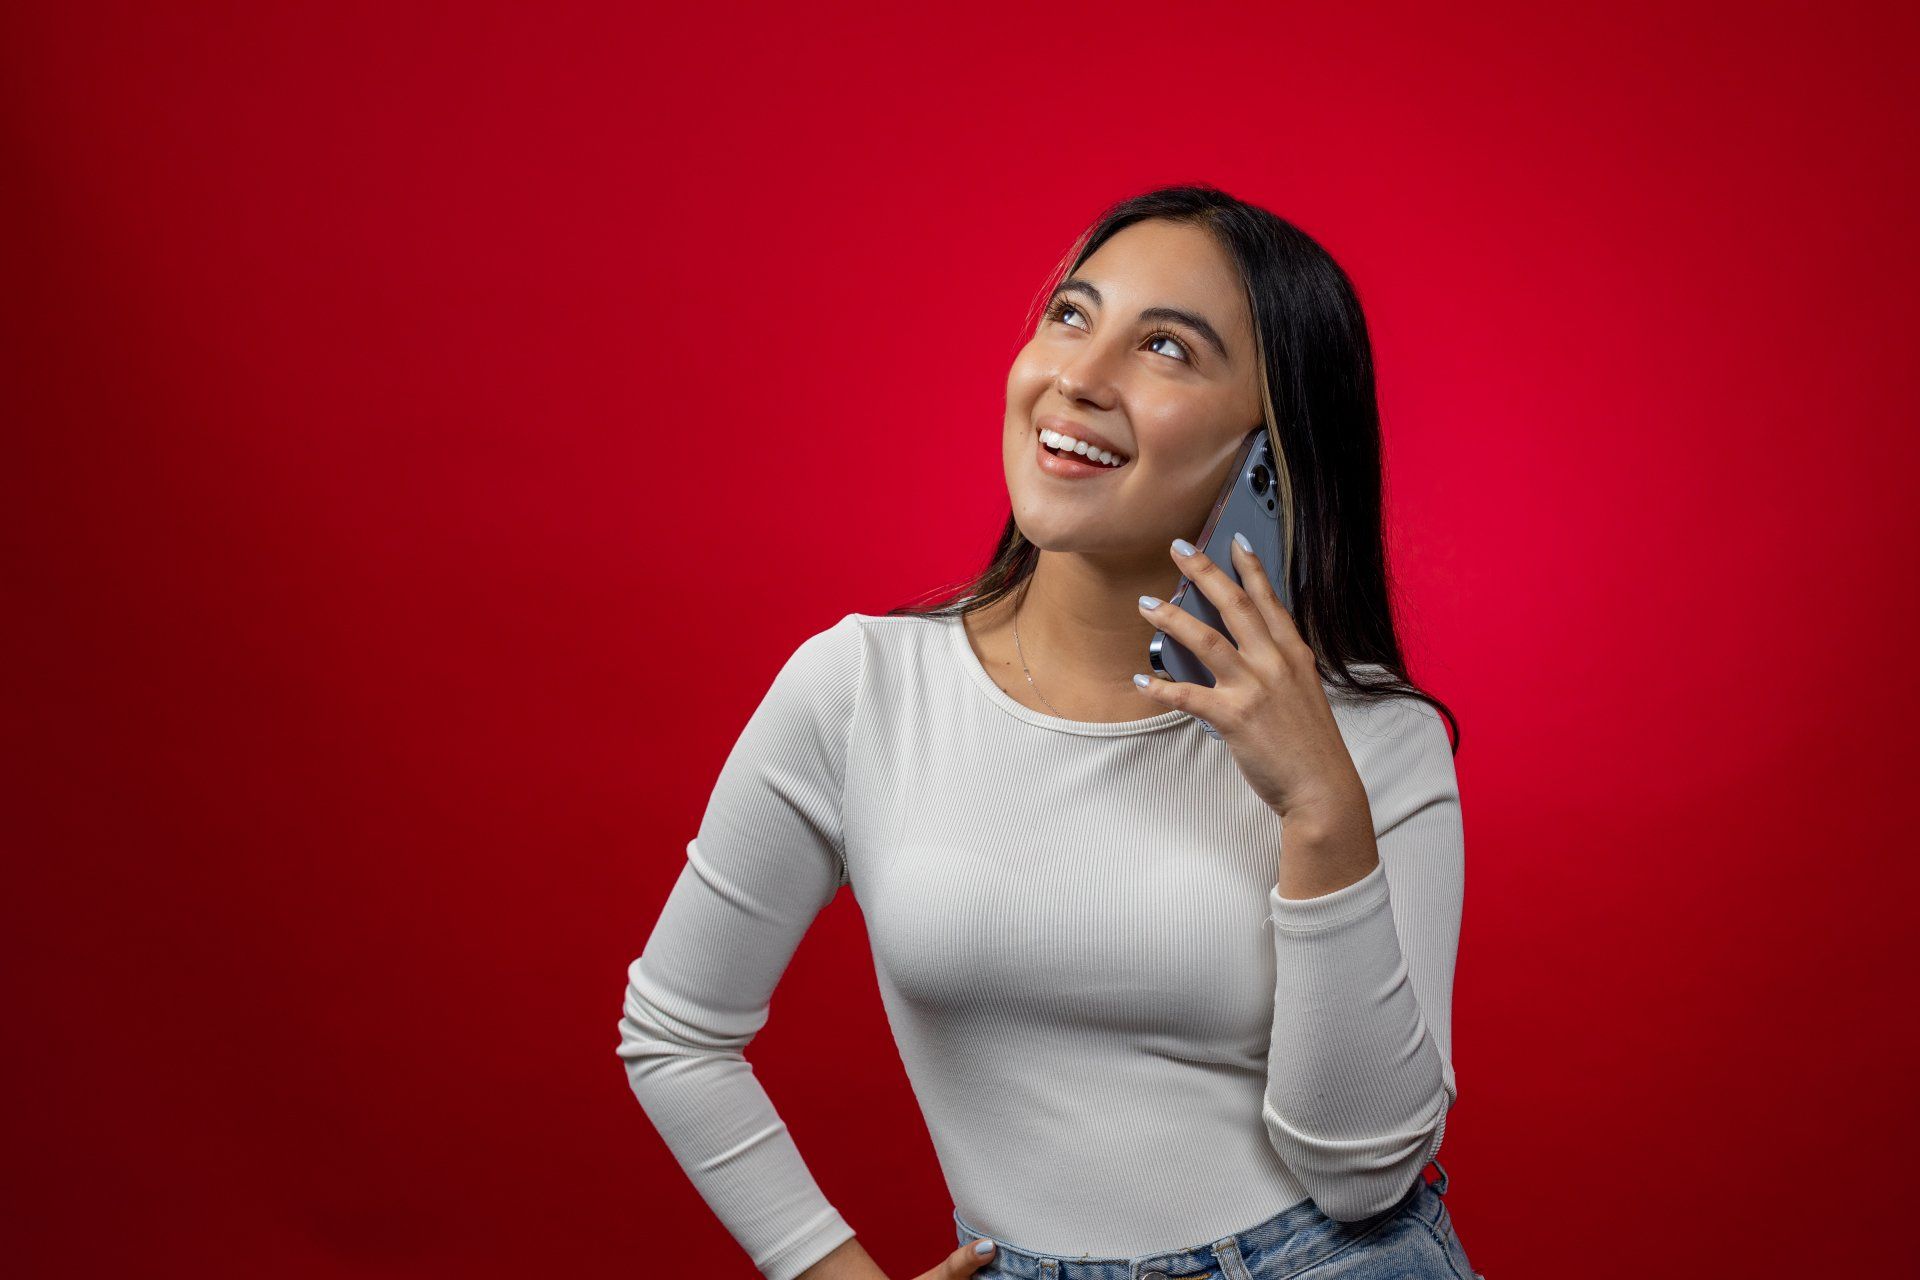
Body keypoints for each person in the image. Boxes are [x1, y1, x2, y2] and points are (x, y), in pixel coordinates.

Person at [616, 183, 1483, 1280]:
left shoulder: (1371, 741)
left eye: (1166, 347)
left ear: (1270, 453)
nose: (1079, 374)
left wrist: (1320, 810)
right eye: (1072, 315)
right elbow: (676, 1032)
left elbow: (1365, 1172)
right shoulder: (862, 688)